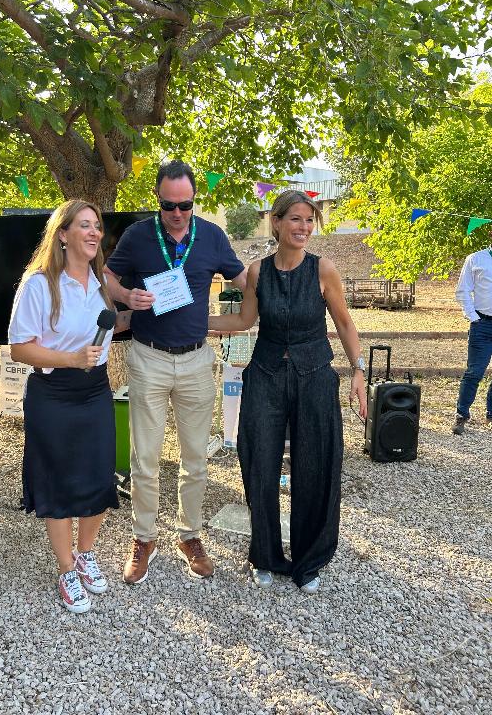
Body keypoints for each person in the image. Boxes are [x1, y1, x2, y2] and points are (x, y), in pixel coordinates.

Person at [208, 190, 367, 592]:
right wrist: (196, 321)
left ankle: (309, 560)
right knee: (259, 463)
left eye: (309, 220)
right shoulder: (257, 272)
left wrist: (358, 371)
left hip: (314, 377)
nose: (304, 227)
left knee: (315, 465)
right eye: (296, 219)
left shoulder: (323, 269)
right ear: (276, 222)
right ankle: (265, 555)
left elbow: (345, 323)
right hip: (265, 376)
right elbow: (244, 320)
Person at [105, 159, 246, 584]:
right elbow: (106, 276)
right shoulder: (138, 235)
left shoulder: (213, 236)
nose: (178, 213)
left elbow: (245, 280)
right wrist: (126, 295)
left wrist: (282, 291)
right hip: (148, 357)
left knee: (196, 458)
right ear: (158, 200)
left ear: (194, 200)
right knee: (144, 458)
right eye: (169, 205)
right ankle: (144, 538)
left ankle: (189, 536)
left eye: (186, 205)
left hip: (196, 360)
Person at [9, 200, 131, 613]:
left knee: (98, 474)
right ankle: (65, 569)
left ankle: (85, 553)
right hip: (53, 393)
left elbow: (107, 329)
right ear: (63, 234)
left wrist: (142, 313)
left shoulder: (100, 283)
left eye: (97, 226)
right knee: (58, 481)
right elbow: (20, 348)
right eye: (85, 225)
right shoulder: (39, 285)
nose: (95, 232)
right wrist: (70, 359)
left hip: (95, 391)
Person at [451, 233, 492, 434]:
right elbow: (463, 290)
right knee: (474, 372)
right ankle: (461, 414)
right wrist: (473, 316)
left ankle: (491, 414)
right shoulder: (476, 259)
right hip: (482, 324)